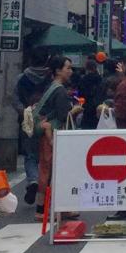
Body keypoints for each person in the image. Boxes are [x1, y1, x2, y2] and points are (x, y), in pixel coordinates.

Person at [33, 54, 83, 219]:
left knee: (46, 170)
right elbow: (63, 116)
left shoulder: (50, 87)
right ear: (58, 70)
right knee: (55, 171)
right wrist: (75, 110)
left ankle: (42, 208)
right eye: (67, 68)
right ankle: (55, 208)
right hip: (52, 136)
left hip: (44, 133)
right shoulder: (60, 90)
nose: (70, 71)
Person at [15, 51, 51, 206]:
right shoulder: (51, 78)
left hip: (27, 120)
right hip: (47, 120)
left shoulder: (21, 78)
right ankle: (44, 190)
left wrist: (25, 112)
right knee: (46, 156)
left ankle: (33, 180)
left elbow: (14, 98)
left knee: (30, 155)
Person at [78, 53, 107, 131]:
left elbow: (80, 95)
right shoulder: (100, 79)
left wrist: (81, 105)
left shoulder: (83, 80)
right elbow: (102, 93)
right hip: (98, 109)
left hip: (87, 109)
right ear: (95, 67)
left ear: (86, 68)